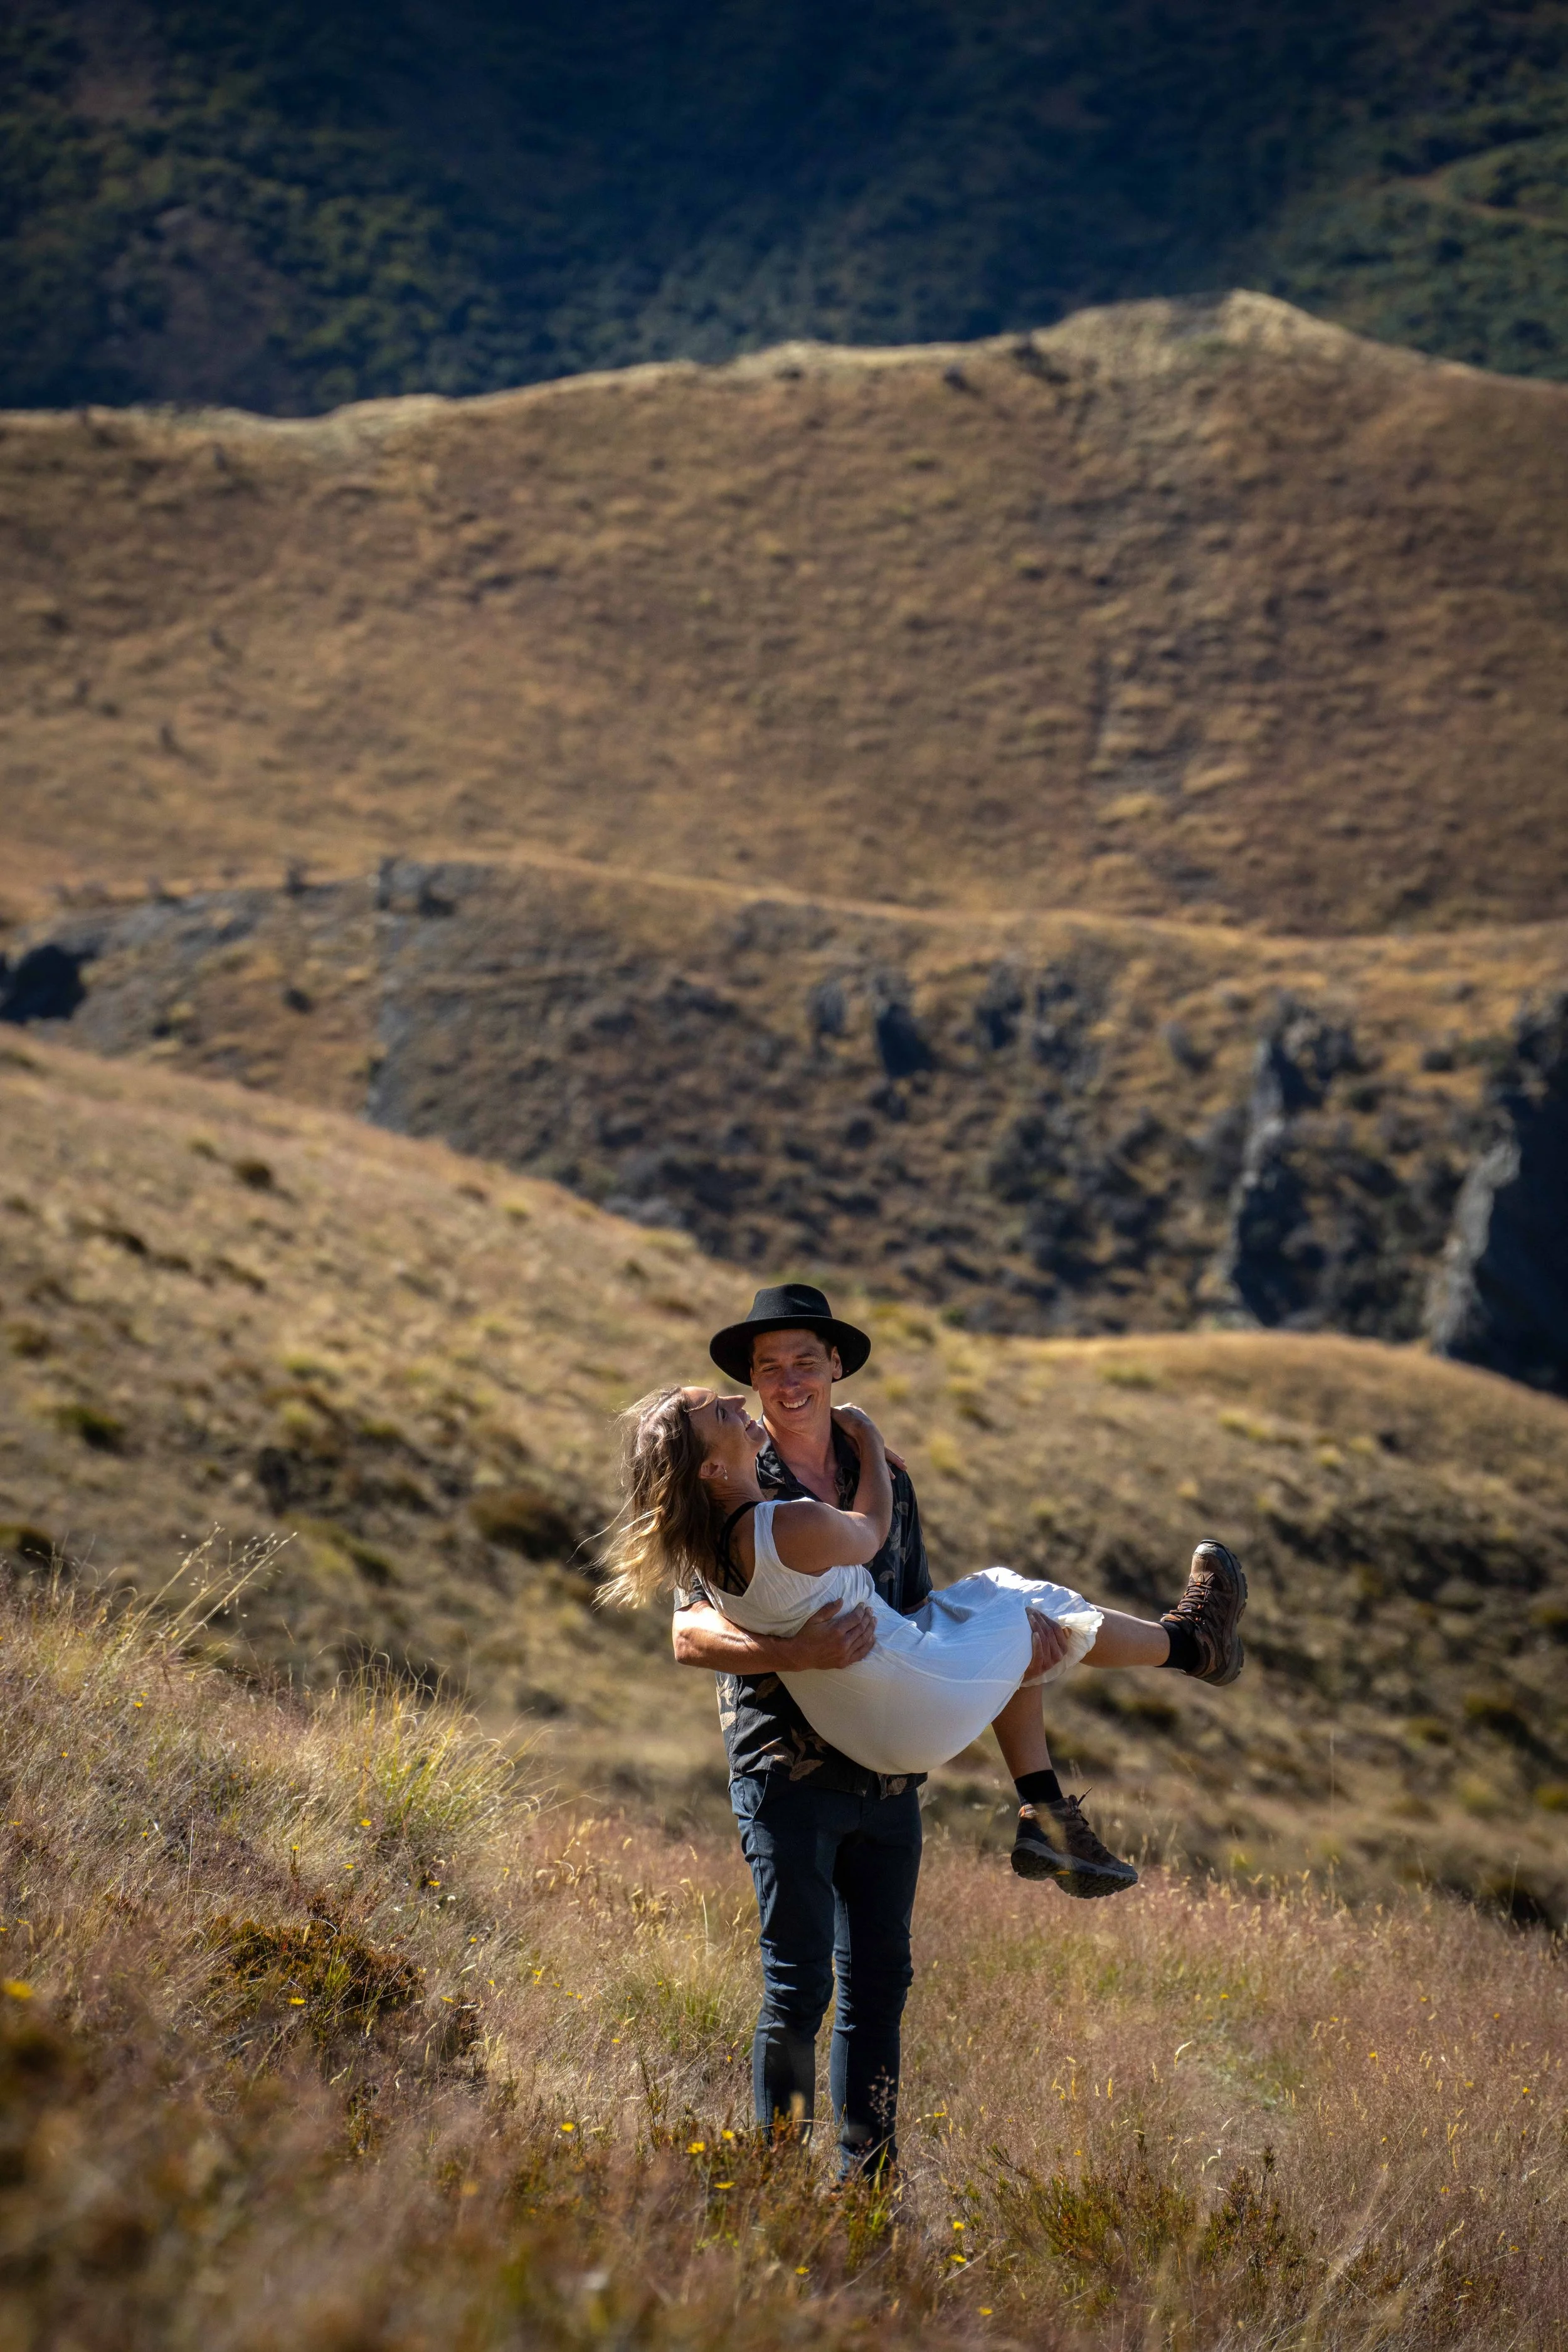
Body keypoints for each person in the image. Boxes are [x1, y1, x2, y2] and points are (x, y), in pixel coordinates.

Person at [606, 1285, 1245, 2178]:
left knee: (880, 1988)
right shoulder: (733, 1484)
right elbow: (689, 1635)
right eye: (767, 1368)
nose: (786, 1382)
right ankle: (771, 2183)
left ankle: (865, 2186)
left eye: (804, 1361)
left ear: (836, 1366)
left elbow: (917, 1610)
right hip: (789, 1770)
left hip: (887, 1772)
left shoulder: (886, 1481)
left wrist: (1011, 1652)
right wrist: (797, 1647)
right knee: (797, 1987)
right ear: (750, 1384)